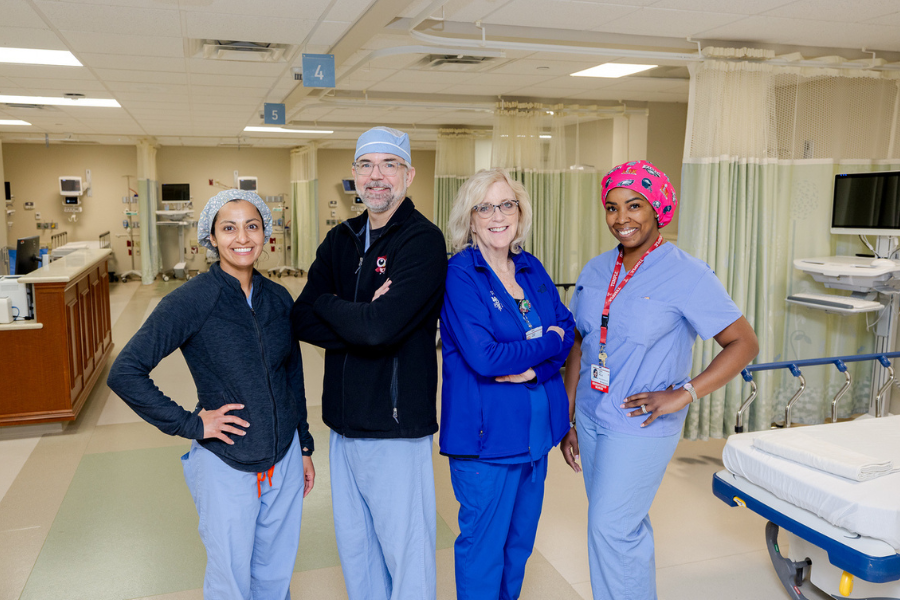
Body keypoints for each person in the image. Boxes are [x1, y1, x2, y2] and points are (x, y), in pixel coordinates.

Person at [559, 160, 759, 600]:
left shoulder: (687, 273)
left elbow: (743, 343)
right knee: (618, 524)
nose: (621, 218)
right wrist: (567, 414)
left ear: (658, 209)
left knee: (612, 527)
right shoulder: (595, 271)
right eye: (611, 207)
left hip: (641, 423)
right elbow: (578, 342)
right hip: (592, 417)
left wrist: (683, 394)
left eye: (634, 205)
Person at [107, 189, 315, 600]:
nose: (242, 237)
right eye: (229, 228)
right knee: (230, 580)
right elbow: (125, 371)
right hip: (227, 462)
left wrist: (303, 445)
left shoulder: (277, 298)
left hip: (284, 457)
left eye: (252, 226)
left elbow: (292, 374)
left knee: (275, 576)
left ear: (265, 234)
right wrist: (192, 423)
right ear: (212, 237)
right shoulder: (193, 299)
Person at [290, 126, 447, 600]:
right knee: (357, 551)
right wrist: (362, 318)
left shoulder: (421, 241)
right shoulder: (341, 239)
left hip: (394, 425)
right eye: (366, 165)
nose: (376, 176)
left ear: (408, 174)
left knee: (406, 551)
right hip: (342, 422)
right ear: (354, 174)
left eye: (389, 164)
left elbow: (378, 328)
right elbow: (301, 317)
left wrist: (335, 306)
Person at [439, 168, 575, 600]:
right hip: (488, 444)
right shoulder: (461, 274)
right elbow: (485, 357)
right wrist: (546, 342)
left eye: (507, 204)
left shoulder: (529, 266)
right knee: (484, 552)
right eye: (485, 207)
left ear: (520, 211)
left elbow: (567, 330)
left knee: (517, 549)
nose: (498, 215)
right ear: (470, 217)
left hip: (536, 440)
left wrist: (536, 367)